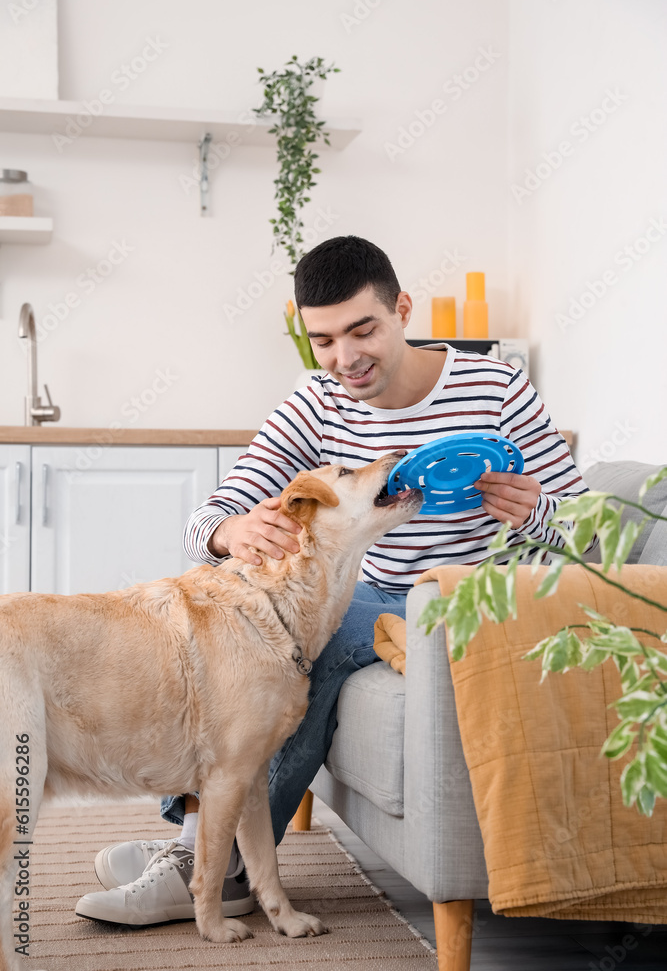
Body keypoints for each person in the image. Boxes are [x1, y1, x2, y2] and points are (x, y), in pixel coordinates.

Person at [76, 235, 589, 926]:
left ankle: (207, 864)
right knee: (264, 635)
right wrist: (233, 533)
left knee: (295, 652)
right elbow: (211, 514)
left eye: (362, 329)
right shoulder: (317, 399)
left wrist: (538, 512)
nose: (344, 359)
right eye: (323, 340)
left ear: (401, 309)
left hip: (466, 602)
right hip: (361, 595)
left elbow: (589, 530)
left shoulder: (495, 387)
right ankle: (203, 843)